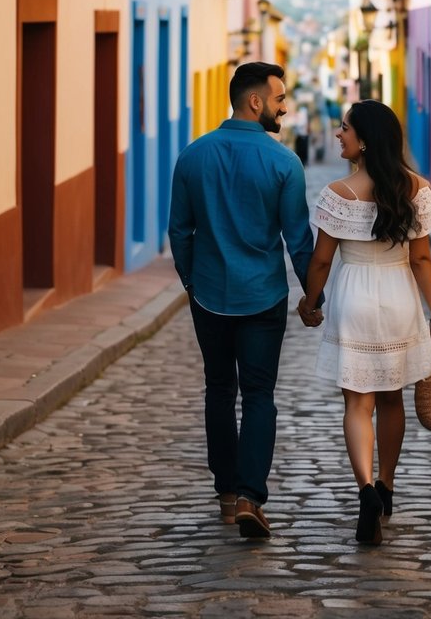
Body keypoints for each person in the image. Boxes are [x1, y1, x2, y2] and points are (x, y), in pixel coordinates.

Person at [169, 61, 320, 540]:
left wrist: (191, 281)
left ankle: (226, 496)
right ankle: (252, 495)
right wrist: (313, 297)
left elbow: (180, 230)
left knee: (218, 389)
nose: (283, 107)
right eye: (279, 99)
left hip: (209, 295)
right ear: (255, 102)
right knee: (259, 395)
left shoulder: (193, 156)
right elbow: (298, 241)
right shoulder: (284, 163)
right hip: (263, 298)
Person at [297, 99, 431, 546]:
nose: (339, 134)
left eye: (344, 128)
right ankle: (386, 486)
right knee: (392, 400)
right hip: (399, 297)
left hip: (354, 299)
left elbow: (321, 261)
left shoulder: (338, 194)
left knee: (356, 404)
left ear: (363, 140)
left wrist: (309, 302)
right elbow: (421, 258)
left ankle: (363, 488)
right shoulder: (415, 188)